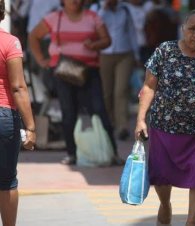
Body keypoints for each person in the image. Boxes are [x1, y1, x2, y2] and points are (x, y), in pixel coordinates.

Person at [134, 10, 195, 226]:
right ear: (183, 29)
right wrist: (141, 119)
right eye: (192, 29)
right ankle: (165, 204)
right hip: (164, 125)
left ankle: (191, 221)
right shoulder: (165, 50)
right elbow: (149, 86)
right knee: (160, 175)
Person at [28, 0, 121, 165]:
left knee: (99, 111)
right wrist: (42, 60)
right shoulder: (53, 18)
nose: (74, 1)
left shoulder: (93, 17)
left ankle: (112, 152)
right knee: (68, 113)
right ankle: (72, 154)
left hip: (89, 72)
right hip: (63, 73)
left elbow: (107, 40)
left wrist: (94, 45)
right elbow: (34, 36)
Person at [0, 0, 36, 225]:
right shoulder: (10, 43)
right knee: (6, 181)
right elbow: (18, 87)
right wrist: (31, 127)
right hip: (4, 117)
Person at [92, 0, 140, 140]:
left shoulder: (124, 9)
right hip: (104, 54)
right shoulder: (97, 9)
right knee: (106, 92)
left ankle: (122, 126)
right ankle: (109, 123)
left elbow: (132, 32)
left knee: (121, 90)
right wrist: (104, 9)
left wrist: (136, 55)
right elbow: (94, 26)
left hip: (125, 53)